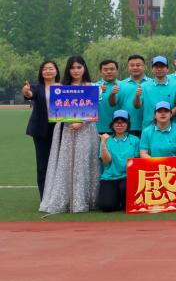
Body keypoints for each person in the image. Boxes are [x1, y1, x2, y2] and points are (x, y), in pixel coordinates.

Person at [39, 56, 100, 214]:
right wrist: (68, 121)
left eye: (79, 67)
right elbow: (57, 109)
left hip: (86, 130)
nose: (76, 71)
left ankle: (84, 199)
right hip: (66, 129)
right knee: (66, 162)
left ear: (84, 68)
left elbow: (93, 109)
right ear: (68, 69)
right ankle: (65, 199)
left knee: (83, 162)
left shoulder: (92, 86)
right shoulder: (61, 87)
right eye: (72, 68)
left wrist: (81, 122)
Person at [22, 59, 60, 199]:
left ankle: (58, 196)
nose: (48, 71)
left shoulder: (63, 87)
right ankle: (44, 197)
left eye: (51, 68)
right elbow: (29, 94)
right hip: (41, 129)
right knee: (43, 164)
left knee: (59, 163)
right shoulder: (36, 87)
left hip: (60, 129)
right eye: (45, 69)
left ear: (56, 71)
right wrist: (26, 92)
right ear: (41, 72)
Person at [96, 110, 139, 212]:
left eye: (123, 122)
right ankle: (116, 200)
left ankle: (123, 201)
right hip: (110, 177)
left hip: (128, 177)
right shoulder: (107, 140)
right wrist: (103, 143)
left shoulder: (135, 140)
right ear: (112, 124)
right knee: (107, 206)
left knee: (126, 194)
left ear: (127, 124)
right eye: (116, 122)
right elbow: (106, 161)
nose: (119, 124)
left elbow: (137, 162)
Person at [140, 56, 176, 127]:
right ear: (152, 69)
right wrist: (137, 96)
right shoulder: (144, 86)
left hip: (171, 127)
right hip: (149, 126)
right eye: (156, 67)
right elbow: (137, 105)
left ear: (167, 69)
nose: (159, 69)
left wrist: (164, 118)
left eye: (162, 67)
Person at [114, 54, 149, 136]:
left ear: (144, 67)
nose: (135, 67)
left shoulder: (152, 83)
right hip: (126, 127)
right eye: (132, 65)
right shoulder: (120, 84)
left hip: (148, 126)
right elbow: (113, 104)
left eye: (138, 65)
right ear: (128, 68)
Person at [96, 59, 120, 135]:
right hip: (98, 129)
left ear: (117, 71)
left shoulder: (123, 85)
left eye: (112, 69)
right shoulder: (94, 87)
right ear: (101, 71)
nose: (109, 72)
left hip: (121, 128)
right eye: (105, 70)